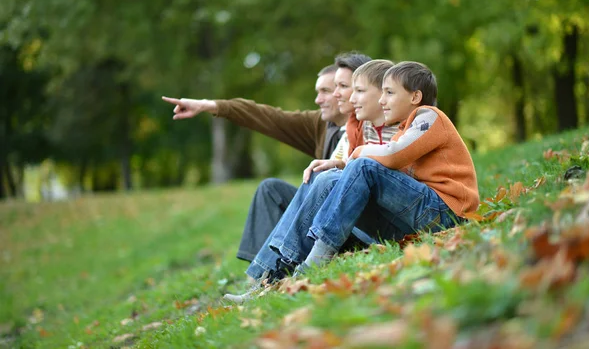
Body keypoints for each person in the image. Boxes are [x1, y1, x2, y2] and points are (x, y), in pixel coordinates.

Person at [162, 52, 372, 262]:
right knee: (270, 190)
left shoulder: (371, 124)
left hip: (352, 225)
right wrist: (209, 105)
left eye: (331, 89)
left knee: (319, 180)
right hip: (324, 219)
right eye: (326, 90)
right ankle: (262, 274)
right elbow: (266, 116)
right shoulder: (320, 125)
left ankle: (277, 270)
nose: (321, 99)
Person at [224, 59, 401, 304]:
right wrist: (215, 106)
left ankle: (276, 273)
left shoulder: (378, 123)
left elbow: (374, 171)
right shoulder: (347, 125)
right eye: (333, 88)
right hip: (343, 211)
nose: (335, 96)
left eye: (342, 87)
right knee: (276, 187)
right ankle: (265, 275)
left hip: (362, 220)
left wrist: (339, 165)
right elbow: (272, 118)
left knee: (324, 178)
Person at [298, 61, 480, 271]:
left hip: (448, 212)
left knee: (365, 167)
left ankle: (318, 257)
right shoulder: (405, 130)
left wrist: (357, 153)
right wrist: (342, 165)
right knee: (346, 182)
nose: (382, 100)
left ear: (415, 97)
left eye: (389, 93)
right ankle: (313, 253)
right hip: (425, 216)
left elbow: (393, 155)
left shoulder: (429, 117)